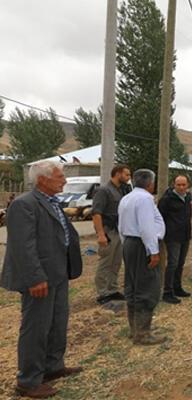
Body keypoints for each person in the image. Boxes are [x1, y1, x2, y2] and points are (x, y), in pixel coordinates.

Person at [1, 160, 83, 398]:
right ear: (43, 180)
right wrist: (35, 278)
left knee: (57, 323)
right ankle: (28, 381)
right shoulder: (24, 205)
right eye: (60, 177)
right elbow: (22, 247)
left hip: (58, 274)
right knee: (36, 328)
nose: (64, 180)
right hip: (40, 278)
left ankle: (52, 367)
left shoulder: (53, 202)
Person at [118, 169, 166, 345]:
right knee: (147, 288)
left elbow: (120, 225)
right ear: (150, 183)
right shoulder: (145, 199)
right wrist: (153, 251)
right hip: (142, 245)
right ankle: (143, 333)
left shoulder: (127, 198)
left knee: (133, 287)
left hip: (130, 244)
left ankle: (135, 329)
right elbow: (147, 227)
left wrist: (127, 245)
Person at [91, 164, 131, 306]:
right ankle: (102, 292)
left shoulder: (122, 190)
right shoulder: (103, 191)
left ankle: (112, 289)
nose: (128, 177)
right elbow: (96, 213)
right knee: (105, 262)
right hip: (108, 231)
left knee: (116, 262)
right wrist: (101, 234)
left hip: (119, 230)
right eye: (126, 174)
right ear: (118, 174)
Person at [157, 175, 192, 304]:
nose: (181, 187)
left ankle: (177, 288)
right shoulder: (166, 199)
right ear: (174, 184)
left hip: (185, 235)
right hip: (173, 237)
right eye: (179, 185)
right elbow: (159, 217)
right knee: (172, 264)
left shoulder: (188, 197)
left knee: (180, 263)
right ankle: (167, 292)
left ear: (187, 185)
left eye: (184, 185)